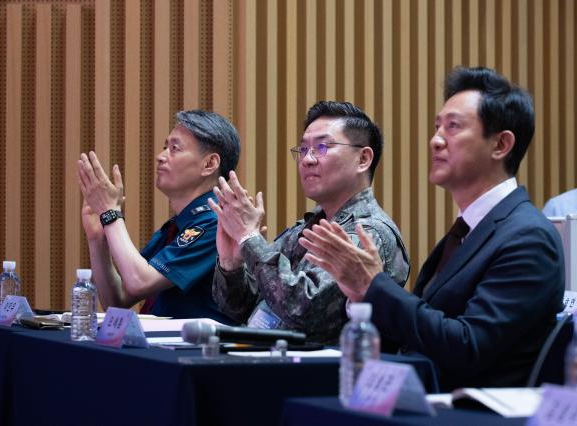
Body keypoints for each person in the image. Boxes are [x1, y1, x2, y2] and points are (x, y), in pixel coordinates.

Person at [299, 67, 564, 390]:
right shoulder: (468, 230)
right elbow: (420, 331)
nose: (435, 140)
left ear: (501, 144)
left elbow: (468, 346)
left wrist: (374, 286)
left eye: (453, 127)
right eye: (438, 126)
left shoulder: (528, 237)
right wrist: (360, 296)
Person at [209, 101, 410, 344]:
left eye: (322, 147)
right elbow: (242, 306)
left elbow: (302, 310)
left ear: (363, 159)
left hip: (328, 375)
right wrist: (232, 264)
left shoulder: (367, 232)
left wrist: (249, 239)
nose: (308, 159)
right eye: (303, 150)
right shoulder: (307, 227)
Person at [76, 110, 241, 323]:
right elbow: (118, 301)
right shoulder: (178, 226)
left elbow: (139, 281)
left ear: (209, 164)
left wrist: (111, 214)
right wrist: (98, 239)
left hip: (197, 353)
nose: (160, 156)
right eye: (165, 147)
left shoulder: (216, 223)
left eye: (174, 148)